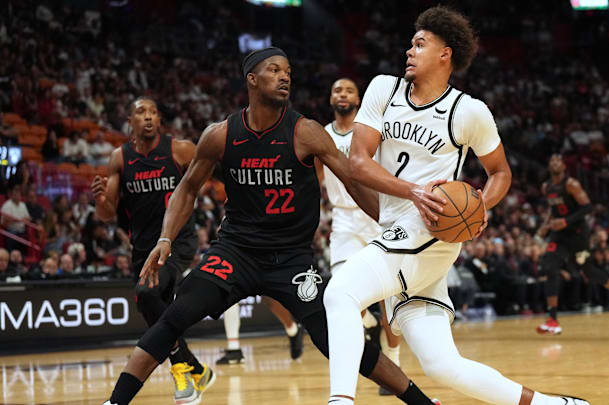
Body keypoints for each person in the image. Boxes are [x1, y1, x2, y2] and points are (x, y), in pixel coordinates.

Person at [101, 48, 440, 405]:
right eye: (274, 70)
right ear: (251, 79)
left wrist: (391, 227)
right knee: (175, 315)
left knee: (336, 335)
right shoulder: (221, 134)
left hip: (291, 260)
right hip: (235, 252)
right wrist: (165, 238)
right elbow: (186, 188)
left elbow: (355, 182)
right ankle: (115, 402)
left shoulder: (305, 132)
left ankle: (420, 401)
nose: (285, 77)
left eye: (288, 71)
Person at [323, 7, 589, 405]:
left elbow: (500, 172)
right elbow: (358, 163)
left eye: (420, 44)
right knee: (442, 364)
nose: (409, 51)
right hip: (396, 231)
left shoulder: (469, 111)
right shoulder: (383, 89)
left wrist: (481, 205)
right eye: (411, 43)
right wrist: (414, 191)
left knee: (339, 293)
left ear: (445, 54)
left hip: (432, 235)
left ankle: (339, 402)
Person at [93, 97, 214, 405]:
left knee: (147, 295)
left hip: (176, 241)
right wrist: (100, 201)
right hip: (141, 247)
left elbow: (207, 177)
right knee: (152, 307)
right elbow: (107, 215)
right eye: (140, 112)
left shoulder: (180, 149)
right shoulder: (119, 158)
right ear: (129, 121)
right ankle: (194, 368)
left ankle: (181, 369)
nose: (148, 117)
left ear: (160, 119)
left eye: (153, 112)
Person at [317, 77, 400, 395]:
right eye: (337, 89)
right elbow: (314, 179)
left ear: (359, 98)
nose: (342, 94)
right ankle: (348, 376)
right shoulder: (322, 135)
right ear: (330, 97)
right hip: (345, 223)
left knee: (390, 306)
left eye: (349, 90)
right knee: (342, 298)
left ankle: (393, 361)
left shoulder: (371, 131)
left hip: (381, 220)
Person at [536, 154, 609, 335]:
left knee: (588, 271)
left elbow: (587, 207)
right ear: (549, 166)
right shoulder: (546, 187)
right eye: (551, 161)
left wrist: (566, 221)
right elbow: (552, 210)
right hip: (559, 235)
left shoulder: (571, 184)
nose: (554, 163)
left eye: (558, 161)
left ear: (563, 166)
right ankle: (553, 319)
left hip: (578, 235)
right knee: (549, 266)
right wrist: (545, 225)